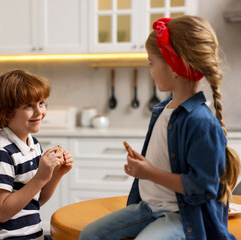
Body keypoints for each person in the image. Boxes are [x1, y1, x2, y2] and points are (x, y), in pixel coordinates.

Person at [79, 16, 240, 240]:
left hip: (182, 216)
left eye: (151, 63)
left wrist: (149, 172)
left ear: (174, 66)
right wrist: (143, 168)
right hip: (149, 208)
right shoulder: (163, 110)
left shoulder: (201, 122)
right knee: (89, 235)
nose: (150, 71)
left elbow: (202, 188)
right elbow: (164, 161)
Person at [0, 70, 73, 240]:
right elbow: (2, 213)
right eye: (29, 106)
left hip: (33, 235)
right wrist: (39, 178)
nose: (39, 111)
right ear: (5, 112)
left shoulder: (33, 145)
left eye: (41, 103)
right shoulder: (1, 154)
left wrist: (56, 175)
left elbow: (36, 200)